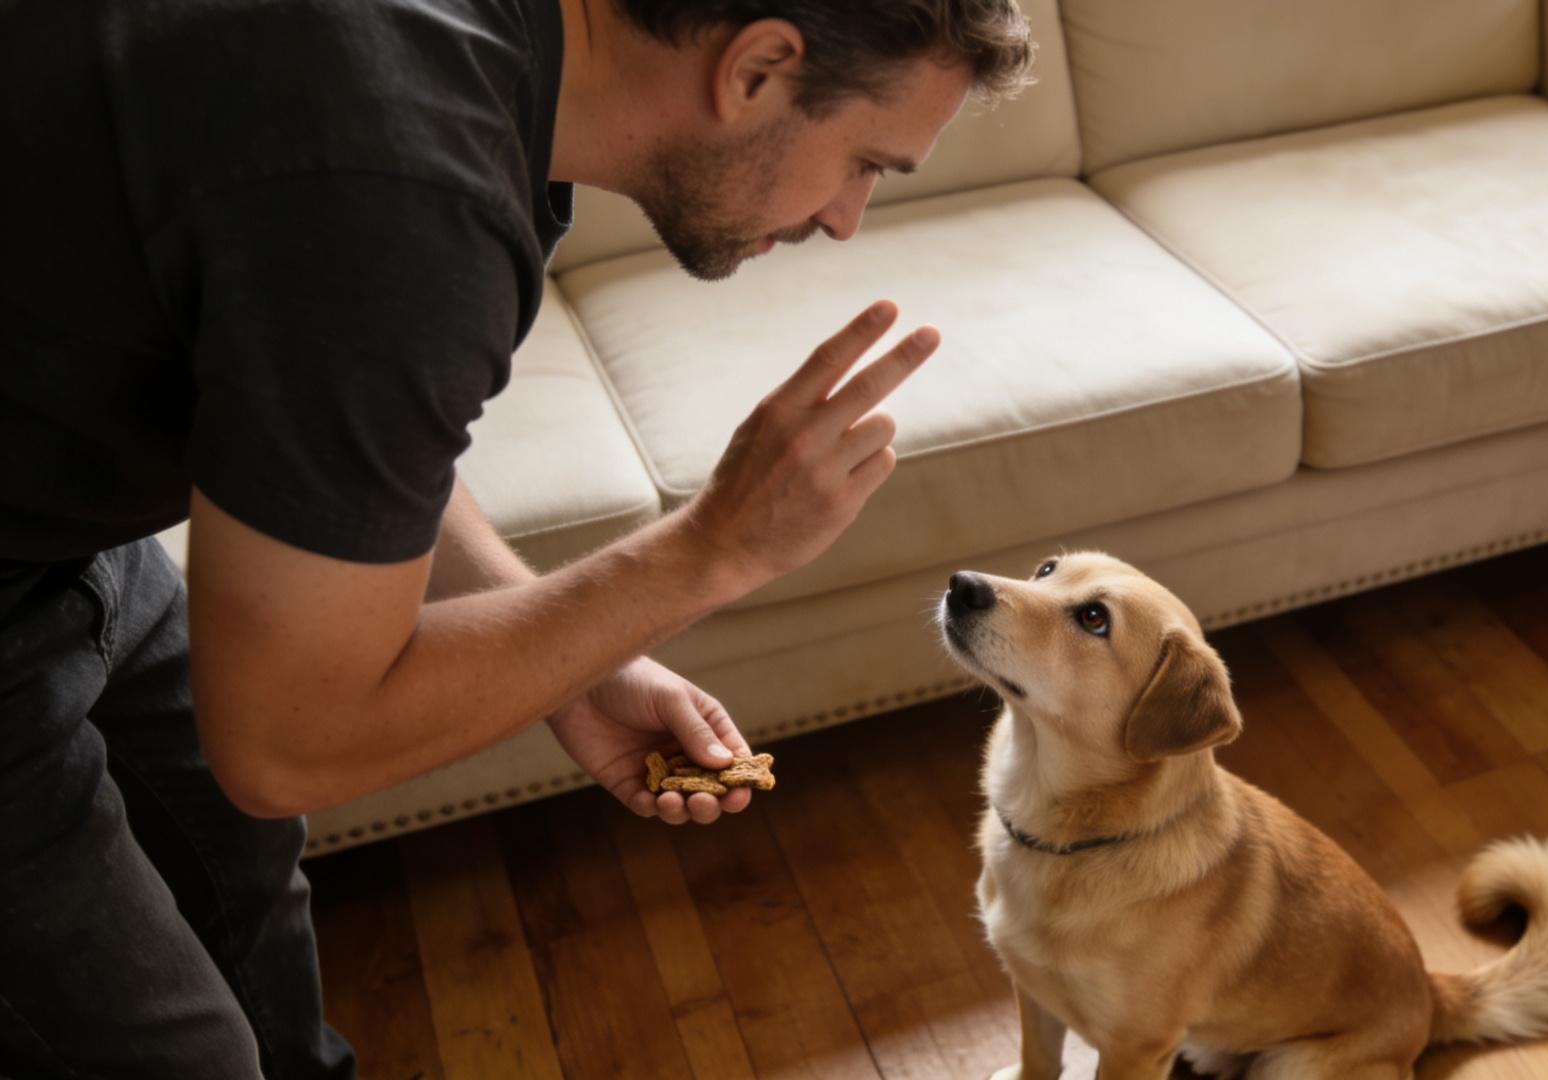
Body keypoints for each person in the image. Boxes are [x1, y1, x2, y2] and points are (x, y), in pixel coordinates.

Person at [0, 0, 1033, 1073]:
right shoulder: (407, 183)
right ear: (759, 66)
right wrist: (710, 549)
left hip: (68, 523)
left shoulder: (459, 71)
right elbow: (287, 743)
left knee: (243, 900)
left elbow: (332, 442)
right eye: (866, 162)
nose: (846, 219)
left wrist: (573, 666)